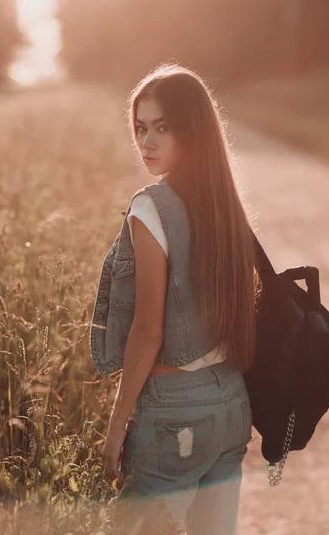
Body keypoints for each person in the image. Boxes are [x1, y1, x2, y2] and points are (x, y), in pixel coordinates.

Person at [99, 62, 260, 534]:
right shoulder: (225, 202)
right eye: (140, 128)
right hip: (231, 403)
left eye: (162, 128)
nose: (147, 143)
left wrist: (115, 429)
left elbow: (147, 331)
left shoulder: (151, 207)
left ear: (191, 130)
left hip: (174, 415)